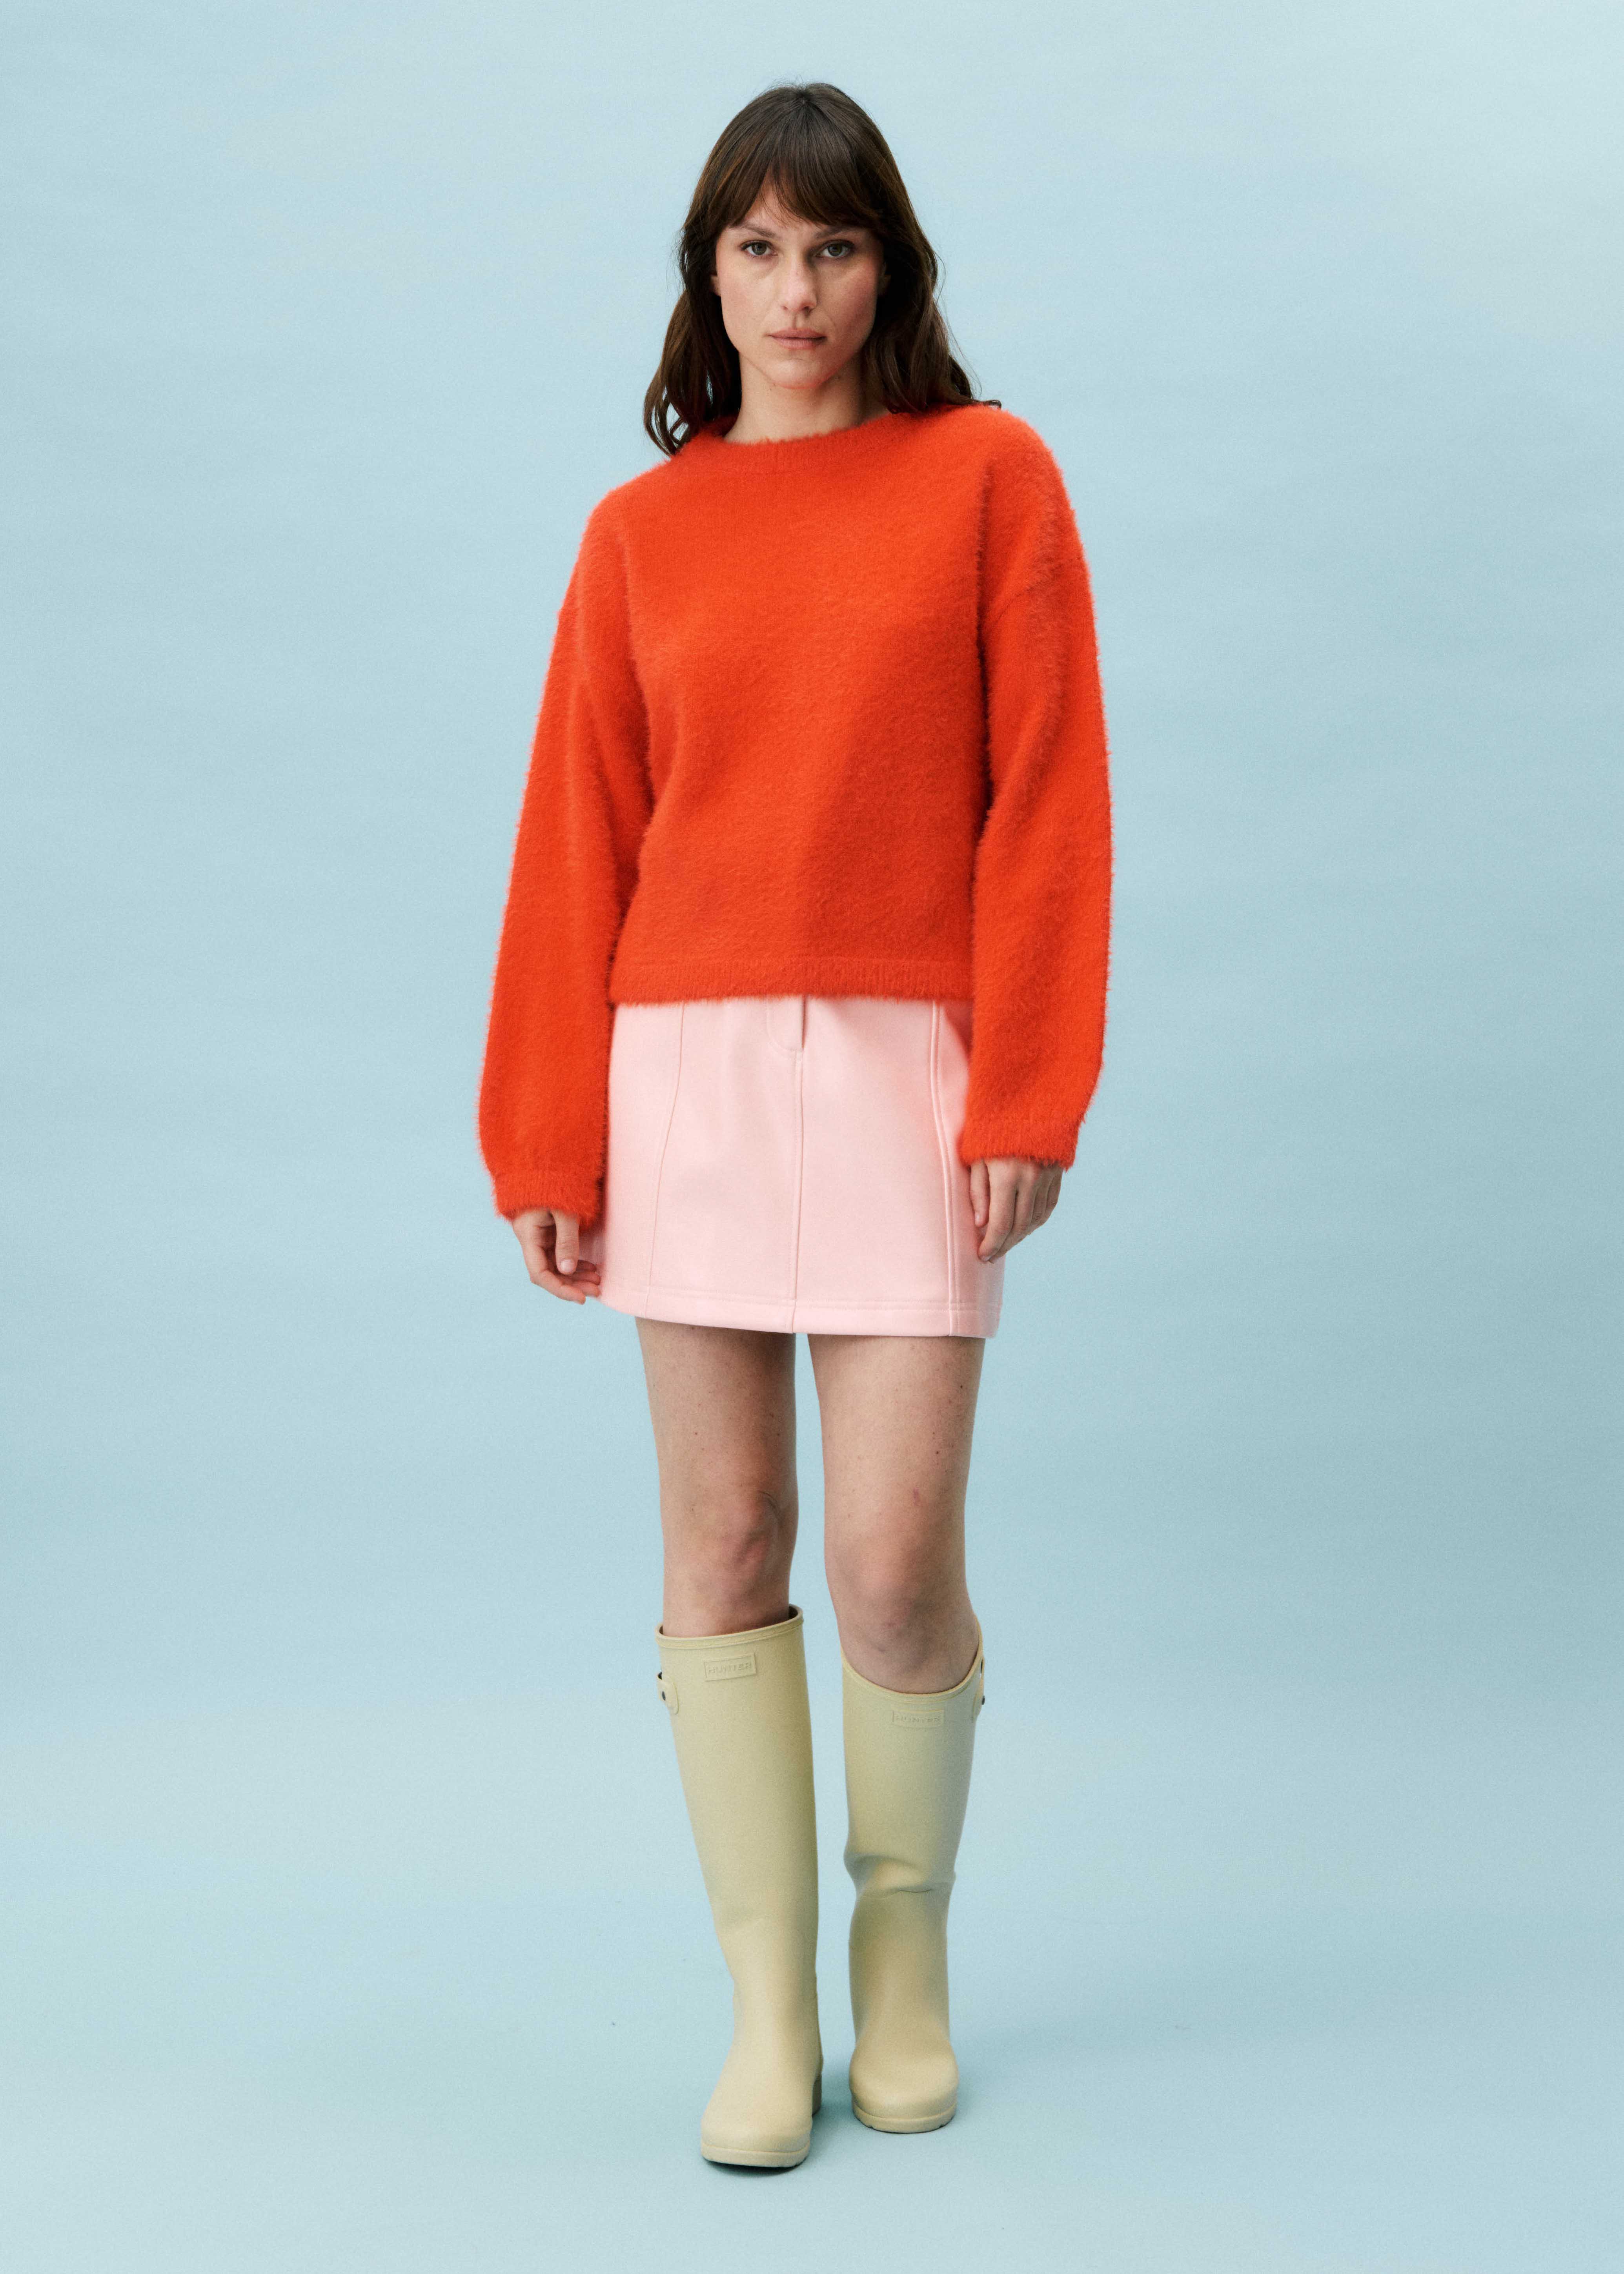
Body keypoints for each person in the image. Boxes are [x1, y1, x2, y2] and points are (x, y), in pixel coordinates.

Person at [477, 81, 1111, 2170]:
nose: (796, 289)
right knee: (727, 1541)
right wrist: (544, 1133)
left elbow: (1050, 795)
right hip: (685, 1070)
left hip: (915, 1067)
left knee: (892, 1560)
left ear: (886, 269)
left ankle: (901, 1957)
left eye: (832, 247)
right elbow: (578, 839)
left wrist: (1030, 1083)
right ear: (710, 274)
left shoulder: (992, 478)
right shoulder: (638, 534)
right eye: (756, 248)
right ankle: (768, 2012)